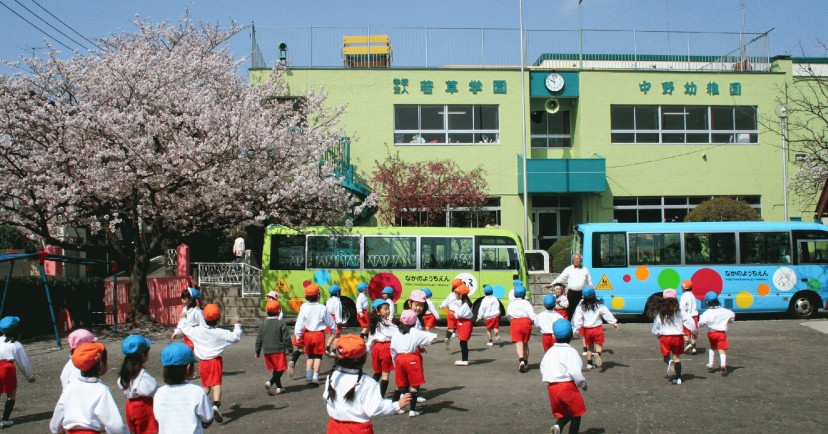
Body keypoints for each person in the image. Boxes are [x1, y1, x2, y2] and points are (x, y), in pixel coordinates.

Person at [323, 335, 412, 433]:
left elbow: (326, 399)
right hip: (358, 429)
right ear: (364, 357)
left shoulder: (332, 376)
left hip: (334, 427)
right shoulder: (368, 383)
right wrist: (396, 405)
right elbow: (375, 409)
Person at [178, 303, 242, 422]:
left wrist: (183, 317)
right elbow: (236, 337)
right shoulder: (220, 333)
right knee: (216, 384)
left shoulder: (197, 331)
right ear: (218, 318)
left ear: (204, 317)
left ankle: (197, 404)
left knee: (206, 386)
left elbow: (185, 329)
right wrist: (237, 324)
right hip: (215, 361)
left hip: (203, 362)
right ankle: (216, 405)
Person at [50, 342, 128, 433]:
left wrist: (55, 430)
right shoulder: (101, 390)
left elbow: (59, 411)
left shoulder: (71, 386)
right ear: (101, 365)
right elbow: (114, 424)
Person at [153, 343, 214, 433]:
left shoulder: (160, 393)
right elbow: (208, 418)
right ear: (188, 367)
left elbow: (158, 418)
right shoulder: (197, 392)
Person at [540, 319, 587, 434]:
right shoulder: (571, 352)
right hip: (567, 387)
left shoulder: (549, 352)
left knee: (566, 412)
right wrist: (583, 384)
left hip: (552, 388)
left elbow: (543, 367)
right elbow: (575, 372)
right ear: (571, 336)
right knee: (576, 415)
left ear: (554, 336)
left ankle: (558, 426)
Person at [390, 310, 437, 417]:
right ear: (414, 321)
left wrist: (394, 362)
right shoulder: (415, 332)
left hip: (399, 358)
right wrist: (433, 339)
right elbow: (431, 338)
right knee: (414, 385)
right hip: (412, 358)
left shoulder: (396, 332)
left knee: (400, 384)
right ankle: (412, 410)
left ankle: (395, 406)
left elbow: (392, 349)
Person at [652, 289, 696, 385]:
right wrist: (693, 331)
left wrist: (657, 334)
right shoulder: (680, 311)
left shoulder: (661, 312)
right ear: (675, 298)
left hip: (665, 337)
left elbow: (656, 325)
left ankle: (669, 361)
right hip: (678, 337)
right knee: (677, 357)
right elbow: (690, 322)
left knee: (666, 356)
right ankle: (678, 378)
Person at [295, 284, 336, 386]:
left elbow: (300, 322)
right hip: (319, 334)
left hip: (307, 334)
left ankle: (308, 375)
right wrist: (334, 330)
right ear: (319, 295)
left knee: (310, 355)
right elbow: (330, 321)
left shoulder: (303, 307)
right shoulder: (322, 308)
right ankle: (315, 377)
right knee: (318, 356)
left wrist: (298, 334)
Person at [571, 287, 620, 370]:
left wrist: (576, 330)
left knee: (589, 347)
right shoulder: (599, 305)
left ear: (583, 296)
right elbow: (606, 314)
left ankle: (589, 364)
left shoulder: (580, 307)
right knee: (599, 346)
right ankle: (597, 353)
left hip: (587, 329)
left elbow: (577, 319)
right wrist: (614, 323)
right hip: (597, 328)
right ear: (594, 295)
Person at [118, 335, 158, 434]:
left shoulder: (125, 372)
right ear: (143, 355)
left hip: (130, 405)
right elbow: (152, 389)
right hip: (144, 406)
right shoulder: (142, 375)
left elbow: (120, 383)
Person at [0, 317, 34, 428]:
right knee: (11, 394)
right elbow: (23, 362)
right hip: (7, 369)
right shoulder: (16, 345)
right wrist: (29, 376)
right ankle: (4, 419)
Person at [256, 299, 290, 395]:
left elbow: (259, 338)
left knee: (276, 368)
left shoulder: (263, 324)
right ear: (279, 311)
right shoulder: (281, 323)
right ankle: (270, 382)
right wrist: (290, 349)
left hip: (267, 350)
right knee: (281, 368)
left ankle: (279, 387)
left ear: (266, 311)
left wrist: (257, 350)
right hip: (278, 350)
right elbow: (286, 338)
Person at [698, 291, 735, 377]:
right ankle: (723, 365)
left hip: (711, 333)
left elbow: (701, 323)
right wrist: (728, 321)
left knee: (712, 347)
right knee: (721, 349)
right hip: (721, 333)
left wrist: (703, 325)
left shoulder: (706, 313)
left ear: (707, 302)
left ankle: (710, 364)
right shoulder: (725, 311)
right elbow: (732, 316)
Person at [366, 299, 396, 397]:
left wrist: (368, 350)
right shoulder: (385, 323)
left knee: (377, 372)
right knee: (385, 374)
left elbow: (370, 338)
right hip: (385, 348)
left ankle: (368, 392)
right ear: (378, 311)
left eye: (388, 309)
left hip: (376, 348)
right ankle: (381, 396)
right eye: (385, 309)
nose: (388, 311)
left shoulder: (374, 323)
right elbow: (395, 332)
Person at [551, 254, 594, 321]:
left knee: (582, 309)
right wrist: (552, 284)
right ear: (573, 260)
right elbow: (561, 278)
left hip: (582, 293)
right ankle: (569, 324)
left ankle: (581, 325)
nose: (576, 260)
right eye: (575, 259)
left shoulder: (585, 270)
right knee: (570, 309)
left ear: (581, 260)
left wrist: (591, 286)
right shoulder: (569, 269)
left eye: (578, 259)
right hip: (571, 293)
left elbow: (589, 281)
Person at [506, 285, 536, 373]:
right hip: (526, 322)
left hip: (515, 322)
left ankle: (521, 360)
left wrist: (511, 321)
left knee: (519, 343)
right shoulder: (526, 303)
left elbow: (508, 315)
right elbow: (531, 315)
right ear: (524, 294)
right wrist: (534, 321)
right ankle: (526, 361)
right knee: (525, 343)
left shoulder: (511, 303)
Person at [450, 285, 474, 366]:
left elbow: (459, 314)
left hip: (464, 324)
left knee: (463, 342)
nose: (455, 295)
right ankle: (464, 359)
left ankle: (464, 360)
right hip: (463, 323)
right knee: (462, 342)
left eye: (456, 293)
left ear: (461, 294)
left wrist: (454, 312)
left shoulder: (465, 305)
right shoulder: (465, 303)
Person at [440, 279, 461, 350]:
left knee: (451, 329)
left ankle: (447, 337)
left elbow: (444, 304)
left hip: (450, 314)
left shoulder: (450, 295)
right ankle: (461, 340)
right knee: (460, 327)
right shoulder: (461, 295)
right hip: (458, 314)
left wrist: (441, 307)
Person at [679, 280, 699, 354]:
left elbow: (682, 307)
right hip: (695, 316)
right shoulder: (692, 295)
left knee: (685, 333)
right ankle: (693, 347)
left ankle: (688, 344)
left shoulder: (684, 296)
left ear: (683, 288)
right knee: (694, 332)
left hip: (687, 317)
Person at [325, 285, 345, 357]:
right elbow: (338, 312)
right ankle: (333, 351)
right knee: (337, 336)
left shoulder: (328, 300)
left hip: (329, 318)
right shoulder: (337, 301)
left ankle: (327, 349)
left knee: (332, 335)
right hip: (335, 318)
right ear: (337, 293)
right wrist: (339, 322)